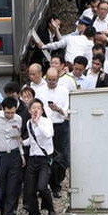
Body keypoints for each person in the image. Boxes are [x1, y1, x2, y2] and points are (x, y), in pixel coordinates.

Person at [0, 97, 24, 215]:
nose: (10, 115)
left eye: (12, 112)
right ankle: (3, 211)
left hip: (14, 154)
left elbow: (19, 137)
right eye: (7, 113)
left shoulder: (19, 119)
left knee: (12, 187)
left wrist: (22, 155)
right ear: (2, 109)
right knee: (1, 188)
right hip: (0, 156)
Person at [22, 99, 56, 215]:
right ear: (29, 110)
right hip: (32, 158)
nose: (36, 110)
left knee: (42, 186)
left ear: (42, 111)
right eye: (33, 108)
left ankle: (51, 209)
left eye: (38, 108)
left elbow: (48, 135)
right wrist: (20, 141)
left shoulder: (46, 122)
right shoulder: (28, 123)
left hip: (44, 158)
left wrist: (38, 124)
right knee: (29, 191)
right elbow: (31, 140)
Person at [39, 68, 71, 198]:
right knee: (47, 157)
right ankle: (45, 184)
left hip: (59, 125)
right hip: (46, 126)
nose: (51, 82)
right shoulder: (40, 91)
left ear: (58, 79)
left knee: (60, 157)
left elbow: (67, 111)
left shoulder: (63, 91)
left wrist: (58, 109)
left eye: (54, 80)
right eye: (49, 80)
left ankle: (56, 185)